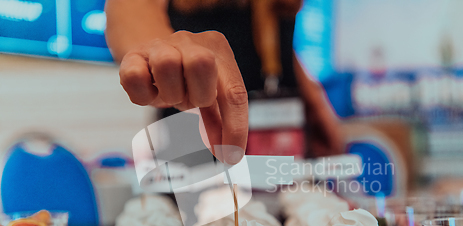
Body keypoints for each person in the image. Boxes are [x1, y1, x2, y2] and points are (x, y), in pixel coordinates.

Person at [105, 0, 344, 164]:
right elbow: (131, 10)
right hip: (197, 138)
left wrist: (314, 102)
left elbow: (267, 38)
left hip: (280, 140)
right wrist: (161, 51)